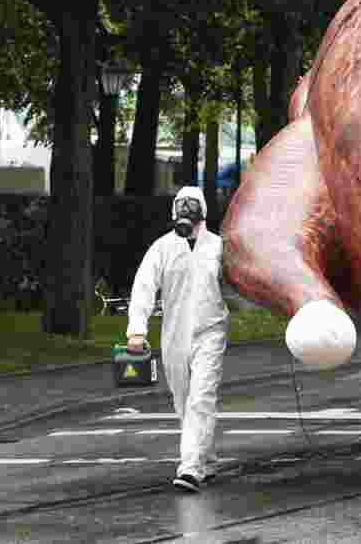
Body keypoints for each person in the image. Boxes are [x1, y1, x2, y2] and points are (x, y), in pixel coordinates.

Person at [126, 186, 230, 493]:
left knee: (201, 397)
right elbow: (144, 286)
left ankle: (190, 467)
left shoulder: (218, 247)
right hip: (174, 333)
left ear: (203, 213)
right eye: (181, 207)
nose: (186, 213)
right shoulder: (162, 248)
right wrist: (137, 329)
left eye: (192, 207)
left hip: (211, 330)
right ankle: (207, 459)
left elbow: (242, 279)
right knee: (184, 401)